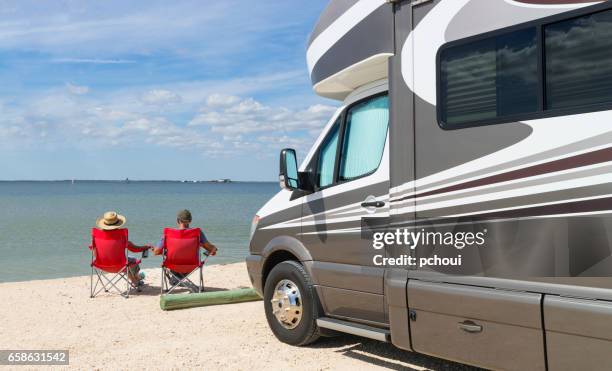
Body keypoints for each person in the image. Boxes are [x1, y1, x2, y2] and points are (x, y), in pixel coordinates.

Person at [152, 209, 217, 285]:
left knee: (169, 255)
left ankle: (176, 278)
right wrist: (213, 248)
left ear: (178, 221)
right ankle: (177, 279)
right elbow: (211, 250)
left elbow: (156, 252)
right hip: (192, 265)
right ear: (190, 221)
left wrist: (156, 250)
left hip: (173, 265)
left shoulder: (169, 234)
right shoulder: (197, 233)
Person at [95, 211, 149, 287]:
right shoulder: (121, 236)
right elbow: (134, 249)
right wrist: (145, 247)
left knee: (126, 262)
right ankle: (137, 278)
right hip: (120, 266)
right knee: (132, 261)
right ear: (117, 224)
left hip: (102, 265)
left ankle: (136, 280)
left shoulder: (97, 236)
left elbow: (94, 252)